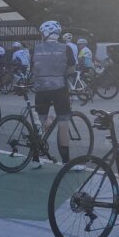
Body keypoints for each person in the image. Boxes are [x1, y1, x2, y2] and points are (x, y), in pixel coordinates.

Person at [29, 21, 78, 169]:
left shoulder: (35, 49)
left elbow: (33, 70)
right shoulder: (66, 48)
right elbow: (71, 69)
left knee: (40, 123)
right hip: (59, 88)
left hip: (41, 89)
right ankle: (66, 161)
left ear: (44, 34)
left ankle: (35, 159)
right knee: (63, 122)